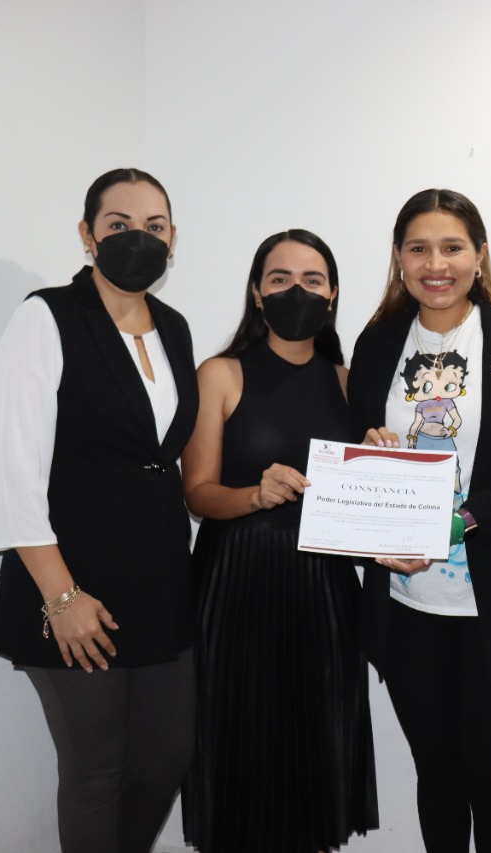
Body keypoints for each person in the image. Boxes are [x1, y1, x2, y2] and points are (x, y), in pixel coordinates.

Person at [0, 168, 198, 853]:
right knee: (96, 771)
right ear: (87, 234)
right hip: (73, 585)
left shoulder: (174, 328)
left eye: (155, 227)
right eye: (119, 224)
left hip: (160, 582)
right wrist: (61, 597)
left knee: (166, 755)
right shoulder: (45, 316)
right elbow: (13, 470)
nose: (140, 238)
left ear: (173, 239)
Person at [348, 188, 491, 853]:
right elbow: (358, 453)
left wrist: (454, 524)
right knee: (436, 773)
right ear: (399, 257)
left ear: (479, 255)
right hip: (405, 604)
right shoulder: (377, 342)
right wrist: (371, 449)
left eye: (452, 247)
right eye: (419, 248)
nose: (435, 264)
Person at [179, 229, 378, 852]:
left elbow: (367, 502)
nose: (298, 291)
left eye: (312, 280)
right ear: (257, 294)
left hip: (324, 592)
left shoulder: (349, 382)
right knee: (238, 750)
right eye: (280, 279)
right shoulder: (219, 374)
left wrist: (383, 460)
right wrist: (254, 496)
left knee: (314, 757)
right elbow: (197, 493)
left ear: (333, 294)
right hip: (234, 586)